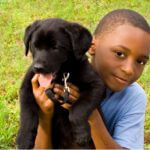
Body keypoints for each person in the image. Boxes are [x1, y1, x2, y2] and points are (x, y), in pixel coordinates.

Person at [31, 9, 150, 149]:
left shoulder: (132, 97)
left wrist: (90, 113)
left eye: (140, 61)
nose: (129, 69)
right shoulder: (57, 82)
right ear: (92, 46)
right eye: (120, 54)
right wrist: (44, 117)